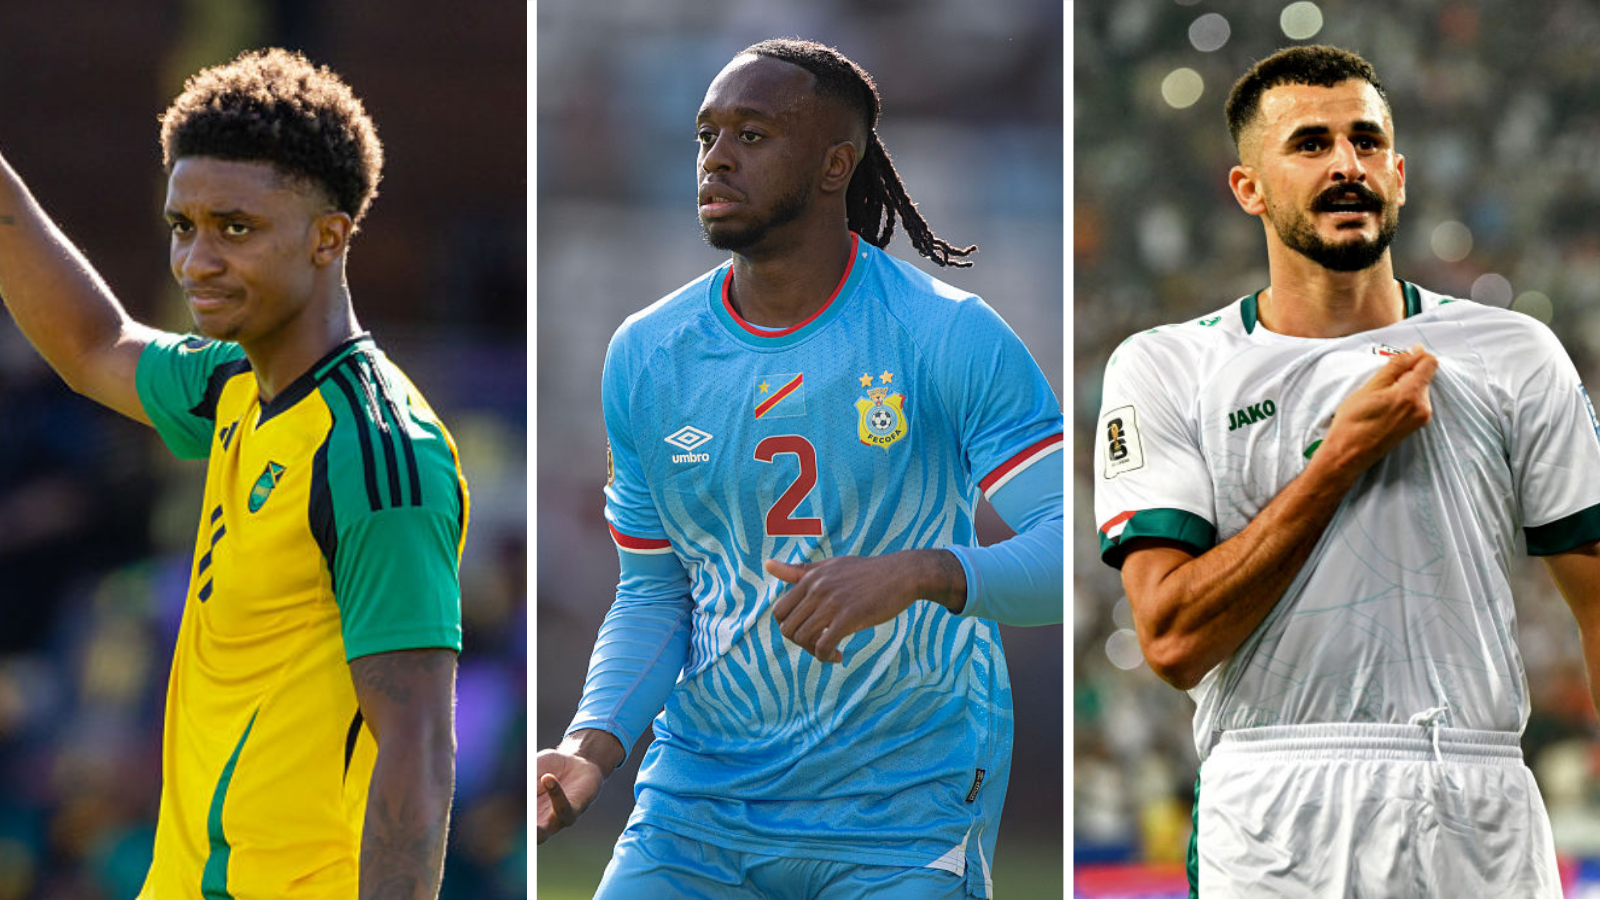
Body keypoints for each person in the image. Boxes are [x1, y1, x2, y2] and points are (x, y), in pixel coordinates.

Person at [535, 38, 1064, 900]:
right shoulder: (647, 354)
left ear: (834, 166)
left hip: (905, 804)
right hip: (699, 806)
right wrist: (591, 745)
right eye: (706, 135)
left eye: (751, 135)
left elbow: (1069, 554)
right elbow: (655, 591)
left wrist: (919, 573)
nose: (716, 158)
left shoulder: (947, 334)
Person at [1093, 44, 1600, 897]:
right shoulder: (1169, 366)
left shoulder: (1516, 353)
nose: (1346, 165)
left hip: (1479, 799)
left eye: (1366, 142)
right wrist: (1338, 460)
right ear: (1249, 188)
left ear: (1399, 174)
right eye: (1310, 144)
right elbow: (1172, 640)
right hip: (1278, 809)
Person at [0, 49, 467, 898]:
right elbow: (92, 343)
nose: (197, 261)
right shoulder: (232, 387)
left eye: (235, 228)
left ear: (328, 237)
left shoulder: (378, 452)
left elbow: (419, 747)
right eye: (184, 226)